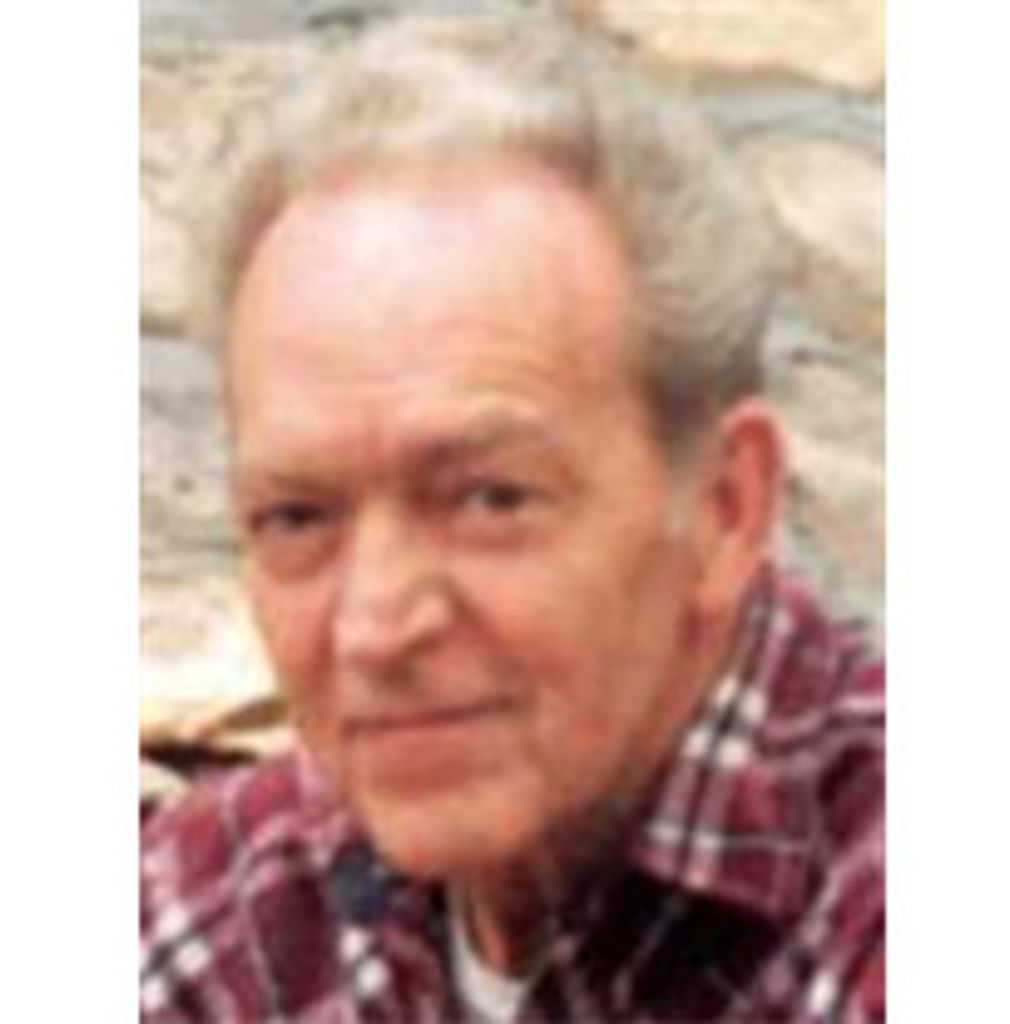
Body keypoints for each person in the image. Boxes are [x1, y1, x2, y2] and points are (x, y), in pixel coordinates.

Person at [141, 12, 884, 1023]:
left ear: (724, 507)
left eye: (488, 498)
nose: (375, 625)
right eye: (298, 516)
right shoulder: (225, 905)